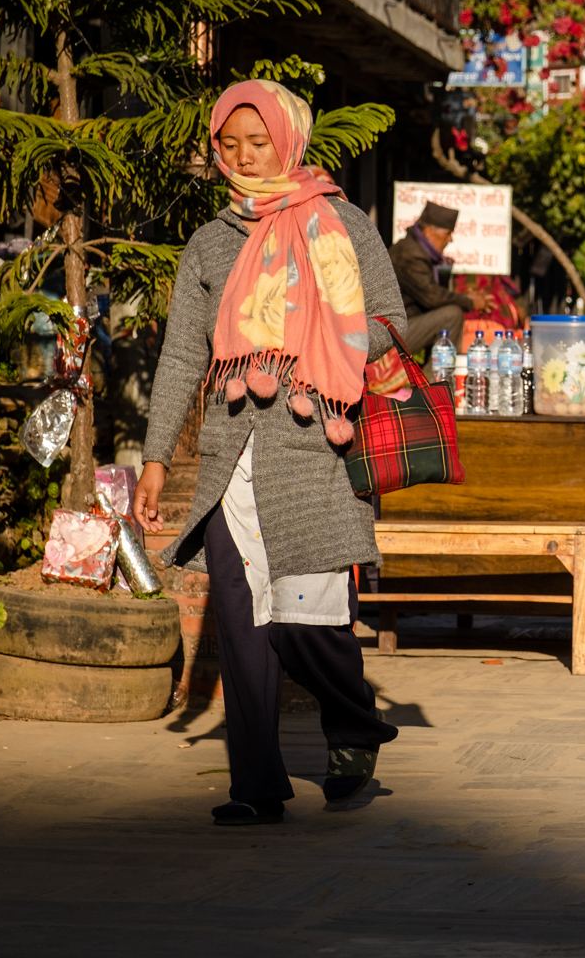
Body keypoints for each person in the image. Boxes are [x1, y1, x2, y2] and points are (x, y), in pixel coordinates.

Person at [133, 80, 406, 827]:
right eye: (231, 144)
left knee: (309, 622)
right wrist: (156, 457)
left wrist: (325, 340)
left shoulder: (344, 224)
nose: (246, 157)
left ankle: (352, 728)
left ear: (289, 140)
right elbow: (182, 356)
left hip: (316, 450)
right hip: (231, 461)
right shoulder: (211, 242)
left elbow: (390, 319)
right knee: (244, 624)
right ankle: (255, 784)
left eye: (260, 142)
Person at [389, 201, 469, 357]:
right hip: (391, 333)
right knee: (452, 315)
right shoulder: (411, 255)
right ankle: (436, 379)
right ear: (429, 232)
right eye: (448, 234)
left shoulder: (415, 250)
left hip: (401, 326)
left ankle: (429, 377)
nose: (450, 240)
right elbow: (433, 297)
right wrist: (470, 301)